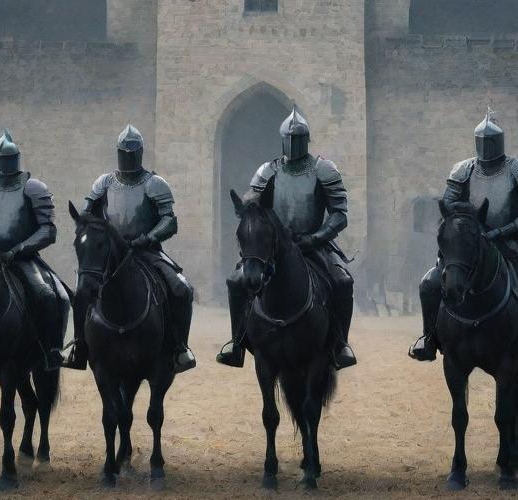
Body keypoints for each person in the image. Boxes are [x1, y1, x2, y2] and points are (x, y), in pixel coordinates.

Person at [410, 110, 518, 364]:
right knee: (429, 284)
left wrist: (504, 230)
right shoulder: (463, 170)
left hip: (508, 238)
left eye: (490, 141)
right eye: (481, 141)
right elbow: (449, 203)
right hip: (468, 242)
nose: (486, 146)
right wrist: (465, 227)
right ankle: (429, 338)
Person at [217, 105, 357, 370]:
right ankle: (237, 343)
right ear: (282, 140)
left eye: (299, 139)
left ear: (306, 140)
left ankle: (340, 343)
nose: (294, 144)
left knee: (342, 281)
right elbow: (253, 207)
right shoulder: (267, 171)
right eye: (290, 139)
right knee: (237, 281)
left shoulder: (323, 169)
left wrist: (315, 238)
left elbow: (339, 214)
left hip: (313, 244)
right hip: (274, 248)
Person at [65, 124, 196, 373]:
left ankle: (180, 347)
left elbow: (169, 220)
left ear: (140, 153)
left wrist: (147, 238)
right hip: (109, 254)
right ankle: (80, 347)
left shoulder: (154, 183)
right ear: (118, 153)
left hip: (146, 251)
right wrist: (95, 235)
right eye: (124, 153)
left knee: (181, 288)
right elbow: (86, 216)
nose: (128, 158)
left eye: (132, 153)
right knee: (83, 292)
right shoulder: (104, 183)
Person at [0, 130, 69, 369]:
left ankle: (51, 350)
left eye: (10, 160)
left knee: (53, 296)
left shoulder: (34, 188)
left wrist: (17, 250)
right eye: (3, 160)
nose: (6, 165)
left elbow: (47, 230)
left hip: (23, 259)